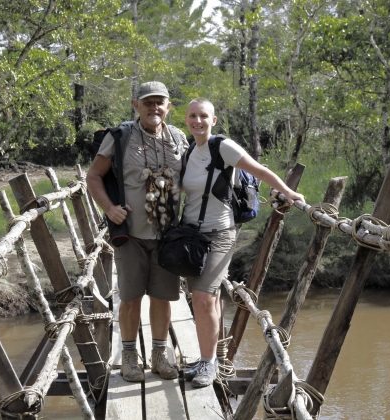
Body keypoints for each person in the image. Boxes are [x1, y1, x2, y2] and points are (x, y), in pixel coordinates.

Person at [181, 98, 305, 388]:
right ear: (186, 120)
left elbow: (259, 170)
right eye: (192, 116)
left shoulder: (222, 146)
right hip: (191, 236)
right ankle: (204, 358)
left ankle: (209, 364)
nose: (197, 121)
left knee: (203, 296)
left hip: (220, 233)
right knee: (203, 299)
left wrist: (287, 191)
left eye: (203, 116)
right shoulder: (189, 152)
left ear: (213, 120)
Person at [87, 81, 188, 382]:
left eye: (160, 102)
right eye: (147, 102)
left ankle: (159, 356)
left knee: (162, 297)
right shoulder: (120, 137)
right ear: (136, 105)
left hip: (168, 236)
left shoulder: (179, 138)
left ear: (168, 106)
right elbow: (94, 176)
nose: (154, 108)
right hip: (129, 234)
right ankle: (129, 356)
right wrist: (109, 208)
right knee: (130, 299)